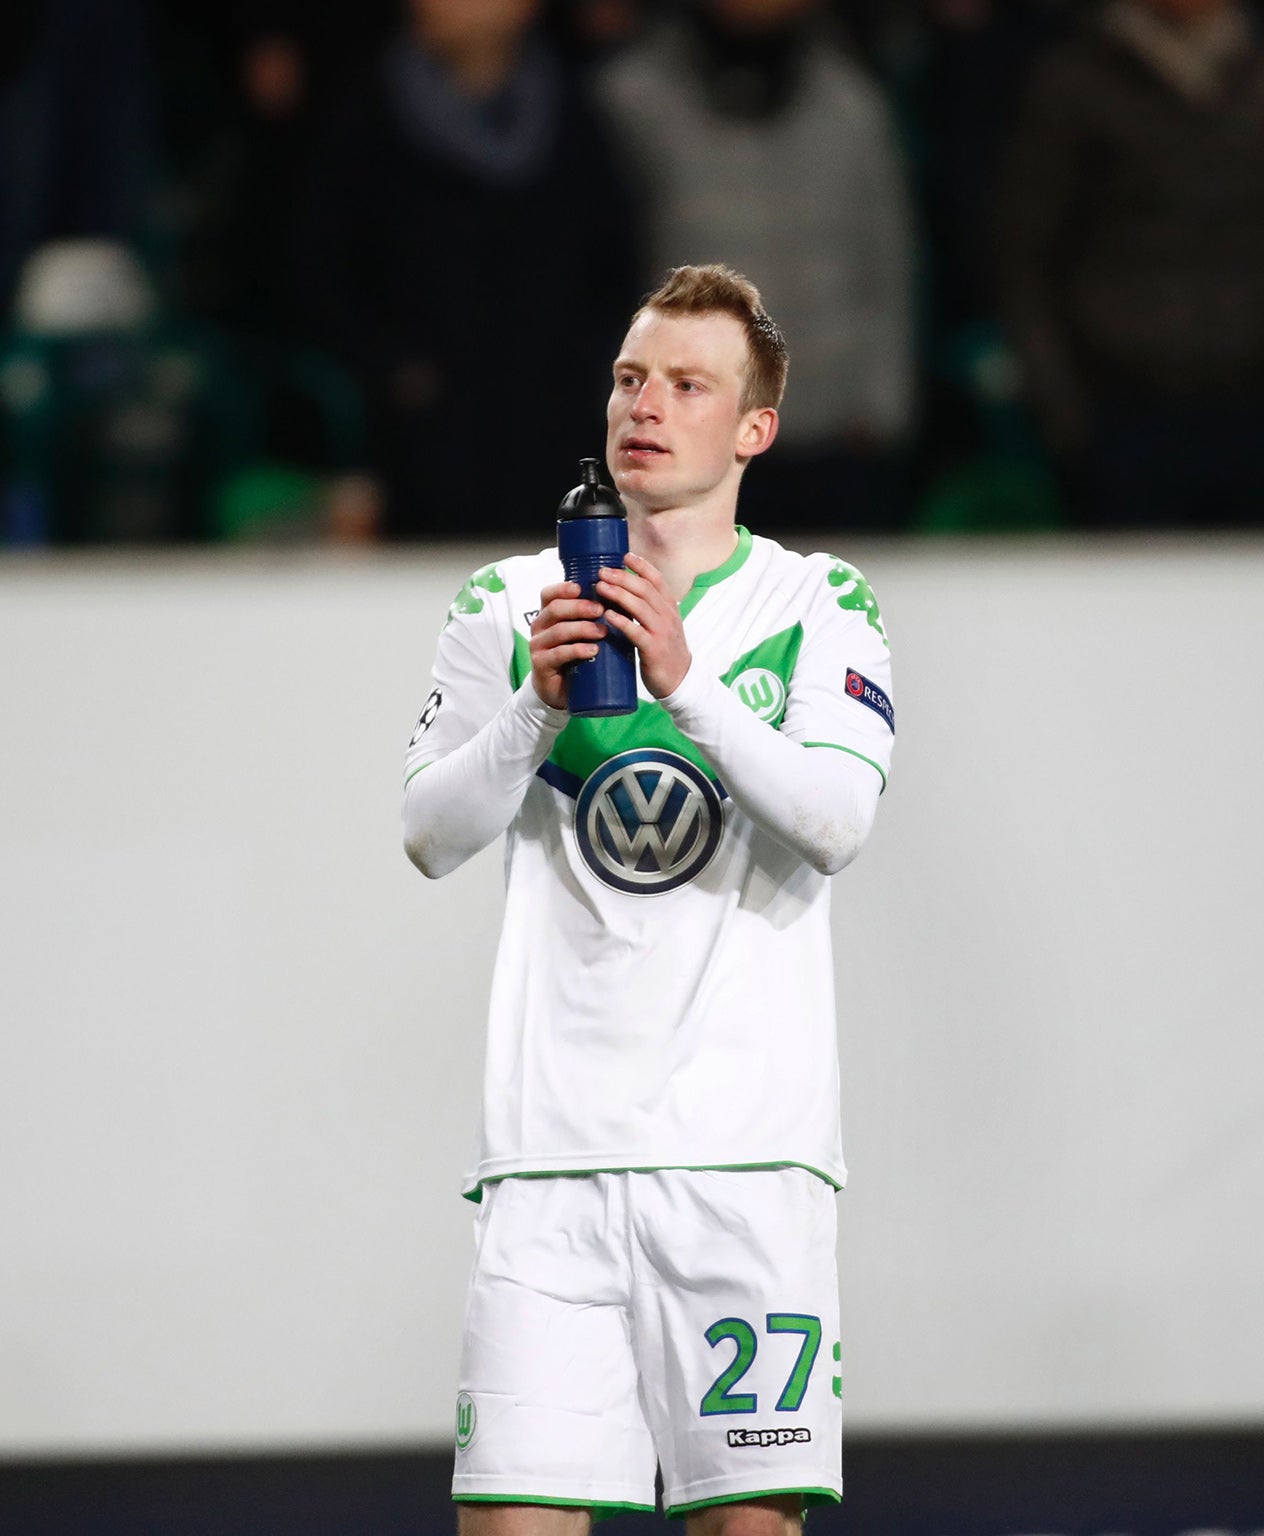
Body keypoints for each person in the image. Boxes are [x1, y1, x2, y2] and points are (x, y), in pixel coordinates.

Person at [403, 265, 894, 1533]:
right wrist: (534, 709)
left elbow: (834, 823)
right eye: (630, 378)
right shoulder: (508, 604)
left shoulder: (818, 603)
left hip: (745, 1158)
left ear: (752, 431)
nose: (646, 406)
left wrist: (683, 680)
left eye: (686, 385)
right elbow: (428, 833)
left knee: (743, 1527)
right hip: (549, 1160)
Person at [296, 0, 641, 541]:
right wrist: (395, 372)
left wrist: (592, 369)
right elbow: (320, 271)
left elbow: (616, 265)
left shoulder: (577, 118)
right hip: (419, 447)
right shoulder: (365, 116)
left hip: (553, 431)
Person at [598, 0, 915, 533]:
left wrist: (882, 403)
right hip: (680, 433)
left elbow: (885, 261)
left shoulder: (852, 105)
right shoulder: (632, 102)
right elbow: (601, 276)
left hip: (830, 429)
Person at [996, 0, 1264, 527]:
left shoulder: (1254, 74)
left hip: (1249, 398)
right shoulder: (1079, 80)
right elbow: (1024, 256)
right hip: (1124, 405)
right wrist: (1064, 412)